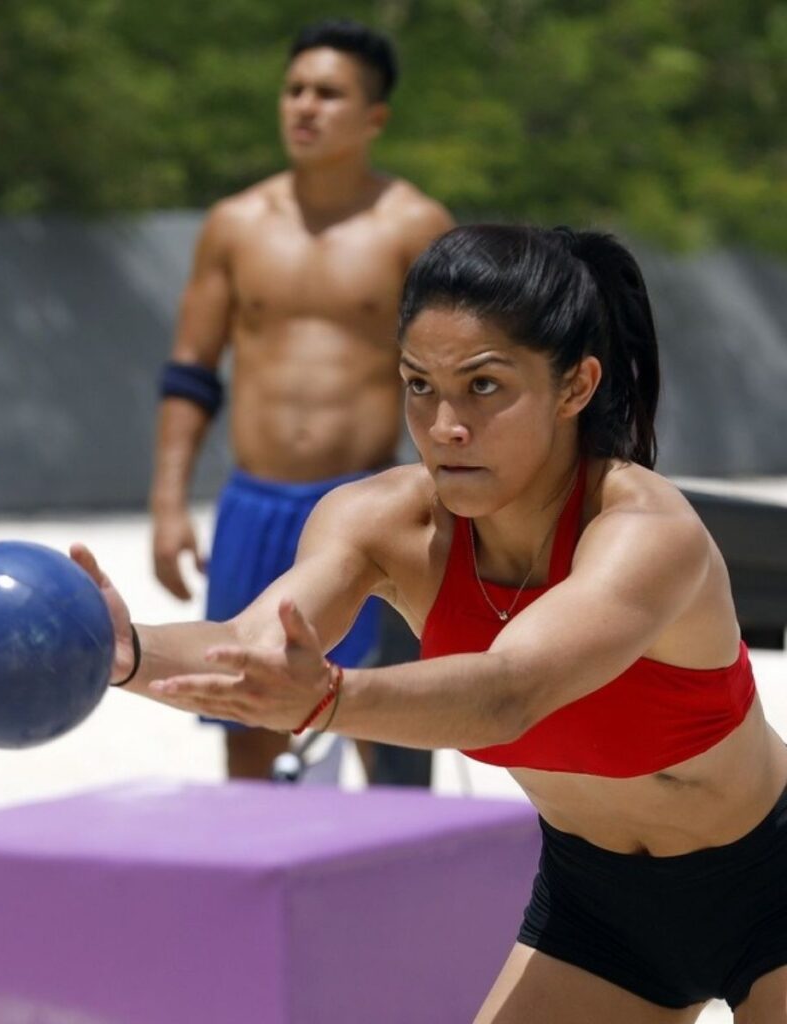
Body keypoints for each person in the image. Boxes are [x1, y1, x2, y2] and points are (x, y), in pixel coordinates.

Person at [76, 224, 787, 1021]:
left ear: (574, 387)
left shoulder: (646, 533)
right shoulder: (380, 522)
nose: (445, 424)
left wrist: (329, 701)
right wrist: (121, 650)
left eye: (484, 387)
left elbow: (510, 690)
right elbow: (249, 647)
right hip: (601, 907)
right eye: (420, 384)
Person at [150, 17, 453, 782]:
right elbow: (192, 370)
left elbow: (460, 373)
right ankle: (264, 897)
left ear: (374, 118)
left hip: (367, 508)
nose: (305, 107)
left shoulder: (415, 227)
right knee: (245, 722)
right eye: (294, 91)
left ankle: (395, 899)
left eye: (328, 93)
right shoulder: (235, 225)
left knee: (386, 727)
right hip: (253, 506)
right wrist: (167, 504)